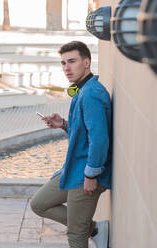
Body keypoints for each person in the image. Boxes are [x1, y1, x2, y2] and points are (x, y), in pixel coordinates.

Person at [30, 41, 112, 248]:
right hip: (73, 168)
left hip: (85, 173)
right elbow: (86, 132)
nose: (67, 68)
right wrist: (64, 124)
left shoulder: (91, 94)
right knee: (39, 204)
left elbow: (99, 139)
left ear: (87, 62)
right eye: (64, 63)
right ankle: (94, 228)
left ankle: (87, 228)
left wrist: (91, 175)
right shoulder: (83, 90)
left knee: (76, 234)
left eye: (72, 61)